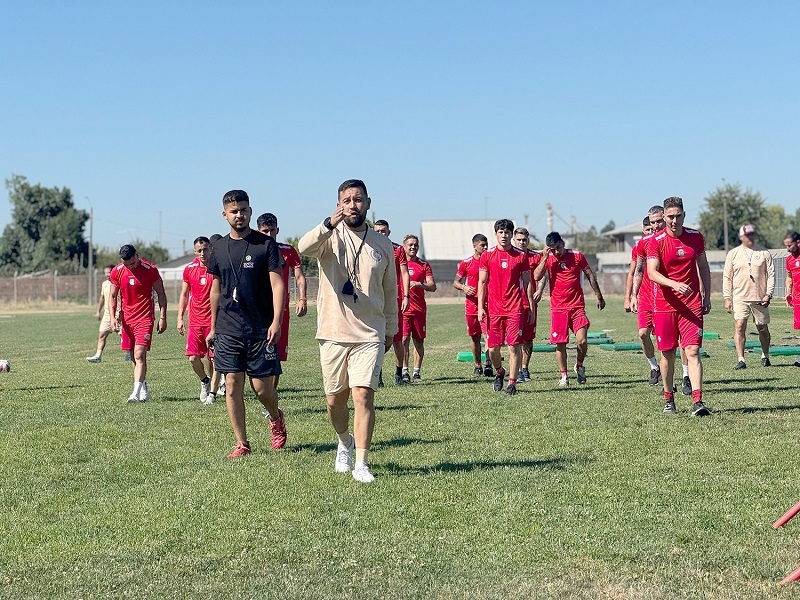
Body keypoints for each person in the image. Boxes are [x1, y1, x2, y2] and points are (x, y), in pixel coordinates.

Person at [298, 179, 398, 483]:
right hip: (332, 331)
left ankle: (362, 463)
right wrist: (329, 223)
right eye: (347, 200)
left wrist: (391, 328)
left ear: (368, 203)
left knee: (363, 395)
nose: (353, 205)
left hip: (369, 332)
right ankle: (344, 441)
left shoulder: (382, 245)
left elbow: (390, 289)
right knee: (334, 400)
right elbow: (303, 248)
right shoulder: (329, 236)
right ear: (339, 204)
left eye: (358, 200)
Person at [206, 190, 287, 458]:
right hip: (229, 327)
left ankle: (275, 416)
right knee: (232, 383)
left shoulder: (265, 245)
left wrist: (276, 321)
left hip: (260, 327)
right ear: (224, 214)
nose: (239, 215)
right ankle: (242, 443)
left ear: (250, 212)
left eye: (243, 210)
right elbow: (215, 289)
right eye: (233, 211)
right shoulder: (216, 248)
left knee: (262, 388)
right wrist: (213, 326)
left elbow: (278, 285)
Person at [646, 196, 711, 416]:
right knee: (668, 354)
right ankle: (668, 399)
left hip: (691, 305)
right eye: (670, 216)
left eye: (678, 216)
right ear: (663, 217)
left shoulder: (695, 237)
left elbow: (703, 266)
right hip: (665, 305)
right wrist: (674, 284)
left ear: (684, 215)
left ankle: (697, 401)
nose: (674, 221)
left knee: (692, 351)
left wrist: (707, 295)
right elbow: (651, 272)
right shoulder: (656, 241)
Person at [533, 231, 605, 387]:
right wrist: (545, 257)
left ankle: (579, 365)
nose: (556, 252)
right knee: (560, 343)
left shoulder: (577, 255)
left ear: (563, 243)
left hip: (577, 306)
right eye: (552, 249)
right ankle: (564, 375)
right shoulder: (548, 258)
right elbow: (537, 276)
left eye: (558, 247)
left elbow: (589, 274)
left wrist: (598, 295)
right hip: (558, 308)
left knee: (582, 340)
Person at [477, 219, 534, 396]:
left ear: (511, 234)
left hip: (515, 308)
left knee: (513, 346)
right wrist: (480, 307)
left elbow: (527, 282)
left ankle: (512, 383)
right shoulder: (487, 255)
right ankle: (500, 371)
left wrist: (530, 305)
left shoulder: (520, 256)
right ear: (496, 234)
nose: (504, 235)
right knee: (493, 348)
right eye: (501, 232)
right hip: (494, 309)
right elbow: (482, 282)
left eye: (507, 232)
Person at [256, 212, 308, 402]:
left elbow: (300, 276)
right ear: (258, 230)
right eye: (265, 231)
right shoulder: (253, 250)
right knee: (256, 353)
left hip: (280, 311)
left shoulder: (287, 251)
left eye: (272, 230)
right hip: (258, 310)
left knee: (275, 354)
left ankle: (271, 394)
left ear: (277, 230)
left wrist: (302, 298)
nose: (269, 234)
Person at [109, 245, 168, 403]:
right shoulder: (117, 271)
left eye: (133, 264)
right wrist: (113, 318)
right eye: (127, 265)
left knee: (139, 354)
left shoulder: (150, 270)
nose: (130, 267)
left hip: (145, 318)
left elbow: (161, 294)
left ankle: (134, 393)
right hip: (127, 320)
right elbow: (112, 296)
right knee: (134, 357)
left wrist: (163, 317)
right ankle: (143, 388)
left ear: (137, 256)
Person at [723, 224, 775, 370]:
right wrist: (727, 297)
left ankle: (765, 355)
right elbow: (727, 276)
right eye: (747, 235)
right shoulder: (733, 254)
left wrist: (768, 294)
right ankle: (741, 359)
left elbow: (771, 275)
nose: (750, 237)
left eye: (752, 234)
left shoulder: (764, 252)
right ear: (741, 237)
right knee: (740, 325)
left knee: (762, 327)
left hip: (759, 297)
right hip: (740, 296)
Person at [177, 237, 218, 404]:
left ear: (210, 249)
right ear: (195, 251)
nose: (203, 253)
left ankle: (213, 393)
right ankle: (205, 381)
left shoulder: (217, 267)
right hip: (195, 322)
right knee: (193, 358)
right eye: (199, 250)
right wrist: (180, 317)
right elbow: (184, 294)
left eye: (206, 249)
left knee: (214, 358)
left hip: (213, 321)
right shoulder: (189, 269)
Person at [373, 219, 410, 384]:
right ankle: (377, 374)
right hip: (374, 300)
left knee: (397, 339)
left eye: (383, 231)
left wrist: (406, 296)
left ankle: (398, 374)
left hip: (394, 300)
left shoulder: (398, 249)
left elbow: (404, 273)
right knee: (375, 339)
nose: (381, 234)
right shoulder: (370, 248)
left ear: (389, 232)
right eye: (378, 231)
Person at [629, 210, 662, 385]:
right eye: (649, 226)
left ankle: (681, 375)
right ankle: (654, 367)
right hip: (646, 297)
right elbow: (636, 272)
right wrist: (632, 296)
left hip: (663, 298)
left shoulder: (667, 242)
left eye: (656, 224)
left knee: (664, 340)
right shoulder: (641, 245)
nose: (653, 229)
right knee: (643, 334)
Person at [453, 233, 490, 376]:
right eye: (482, 245)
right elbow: (456, 282)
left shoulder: (490, 260)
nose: (485, 247)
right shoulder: (466, 263)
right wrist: (464, 287)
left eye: (486, 244)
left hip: (487, 305)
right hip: (471, 306)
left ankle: (488, 364)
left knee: (488, 336)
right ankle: (477, 365)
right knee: (475, 337)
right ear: (474, 246)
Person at [400, 234, 436, 381]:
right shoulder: (399, 264)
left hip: (419, 309)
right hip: (403, 309)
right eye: (410, 245)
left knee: (419, 341)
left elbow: (432, 286)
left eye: (415, 245)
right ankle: (404, 371)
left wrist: (421, 285)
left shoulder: (423, 265)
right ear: (404, 246)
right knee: (403, 340)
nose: (413, 247)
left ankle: (416, 371)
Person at [512, 227, 545, 383]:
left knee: (528, 339)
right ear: (514, 240)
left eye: (524, 240)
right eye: (518, 239)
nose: (521, 242)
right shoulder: (509, 256)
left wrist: (539, 289)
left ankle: (525, 368)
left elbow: (542, 274)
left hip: (530, 303)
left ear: (528, 241)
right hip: (513, 304)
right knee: (515, 339)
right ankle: (517, 370)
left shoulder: (535, 257)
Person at [86, 265, 118, 363]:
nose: (107, 274)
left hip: (118, 314)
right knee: (102, 335)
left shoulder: (119, 282)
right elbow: (102, 298)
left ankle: (130, 355)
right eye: (105, 272)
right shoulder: (105, 284)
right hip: (107, 315)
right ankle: (98, 356)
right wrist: (98, 311)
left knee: (124, 336)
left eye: (109, 272)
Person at [784, 232, 800, 367]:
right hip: (797, 299)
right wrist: (788, 293)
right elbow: (789, 277)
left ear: (798, 242)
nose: (787, 248)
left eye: (789, 245)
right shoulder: (789, 260)